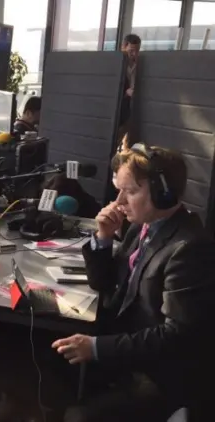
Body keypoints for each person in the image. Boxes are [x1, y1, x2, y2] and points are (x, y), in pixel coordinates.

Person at [52, 144, 215, 422]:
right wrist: (103, 237)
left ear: (164, 195)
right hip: (127, 346)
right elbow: (103, 282)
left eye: (130, 191)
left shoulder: (189, 247)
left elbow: (176, 336)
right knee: (46, 358)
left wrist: (95, 348)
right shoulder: (142, 226)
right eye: (119, 190)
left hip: (159, 372)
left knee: (78, 417)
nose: (118, 202)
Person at [117, 34, 141, 150]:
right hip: (120, 111)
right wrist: (126, 93)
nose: (134, 54)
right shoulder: (116, 64)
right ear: (123, 47)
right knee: (115, 142)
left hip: (133, 111)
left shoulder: (139, 65)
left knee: (130, 145)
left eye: (137, 51)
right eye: (131, 50)